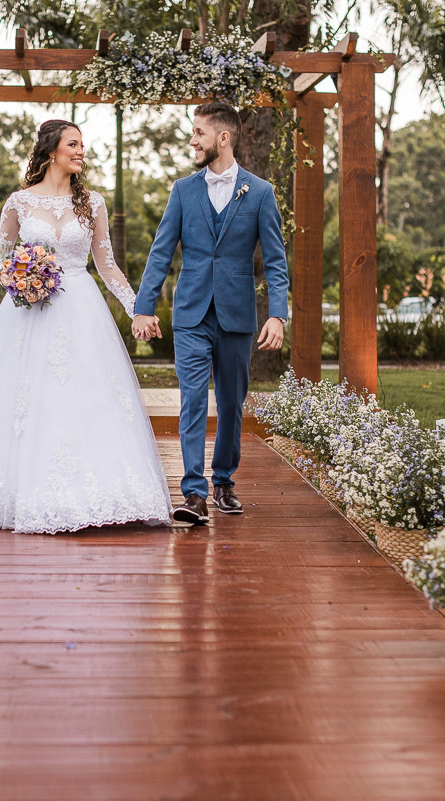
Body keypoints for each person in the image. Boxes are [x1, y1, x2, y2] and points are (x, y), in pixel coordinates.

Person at [0, 120, 172, 534]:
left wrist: (137, 310)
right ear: (52, 151)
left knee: (85, 395)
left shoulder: (93, 203)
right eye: (73, 144)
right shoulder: (18, 201)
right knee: (26, 399)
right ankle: (20, 491)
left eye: (83, 145)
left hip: (81, 306)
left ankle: (100, 493)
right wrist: (14, 277)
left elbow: (107, 266)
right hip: (28, 311)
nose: (81, 151)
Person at [132, 102, 289, 525]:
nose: (192, 140)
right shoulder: (183, 190)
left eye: (198, 133)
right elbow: (161, 251)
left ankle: (223, 481)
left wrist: (278, 314)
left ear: (222, 137)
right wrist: (143, 308)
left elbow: (275, 260)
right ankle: (194, 492)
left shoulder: (259, 193)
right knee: (193, 400)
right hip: (191, 314)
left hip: (237, 315)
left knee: (233, 403)